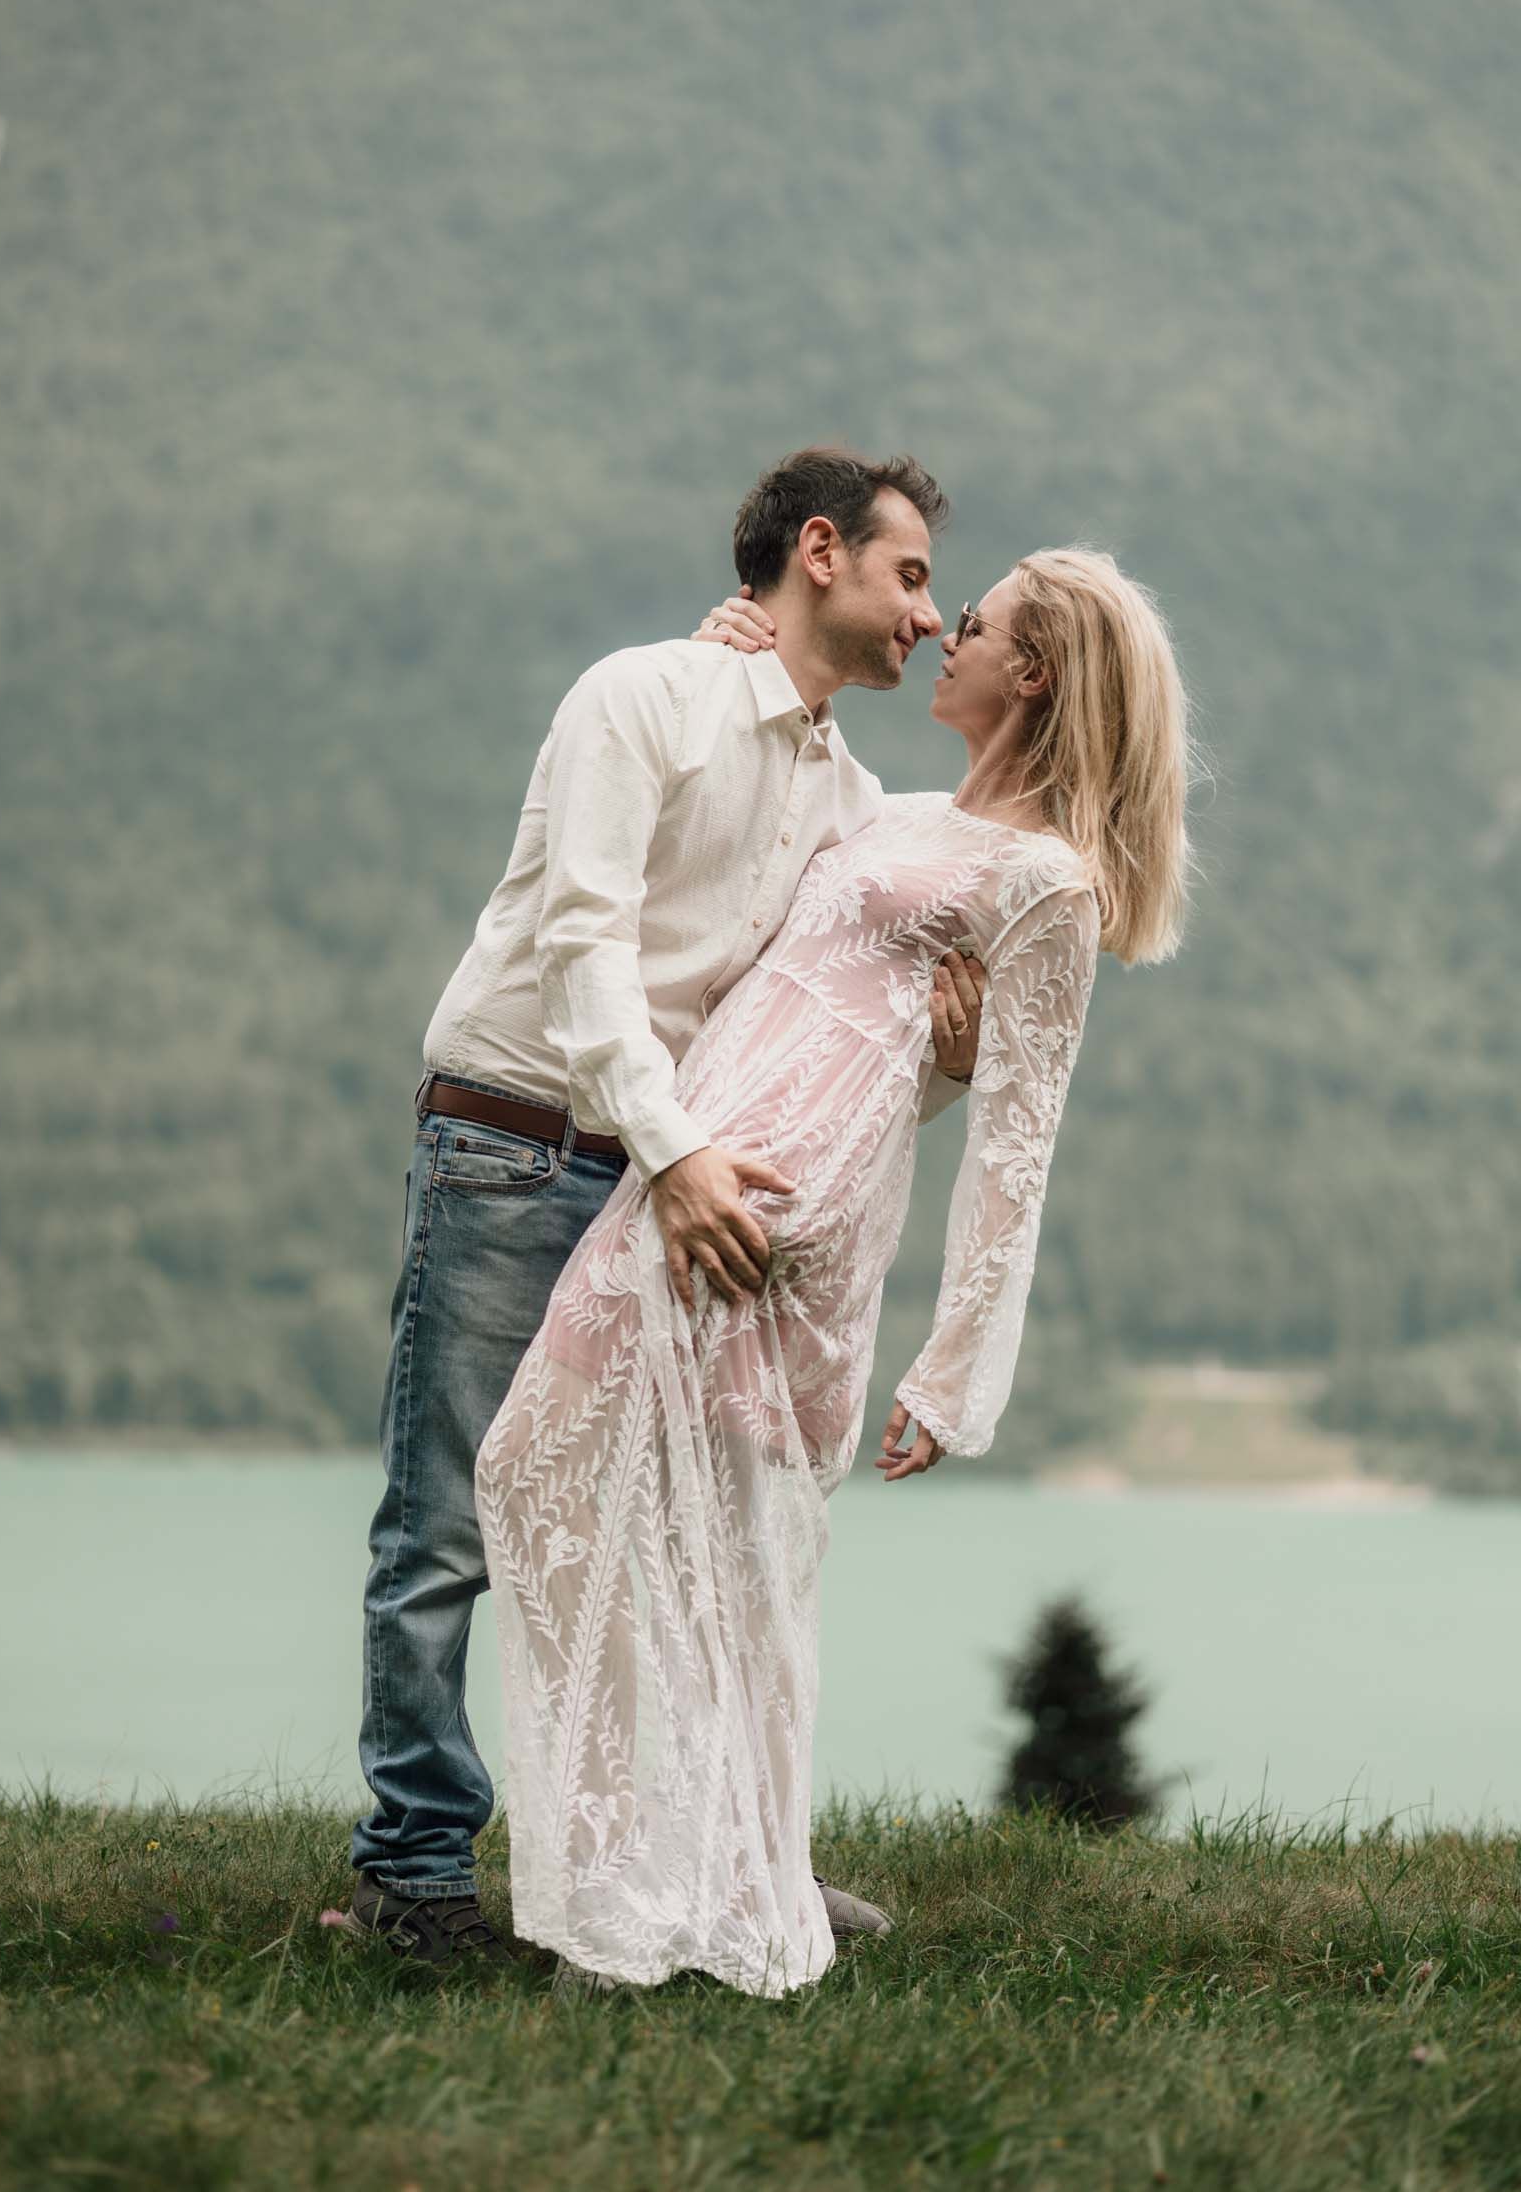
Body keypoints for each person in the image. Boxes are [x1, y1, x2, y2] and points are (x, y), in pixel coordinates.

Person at [474, 543, 1190, 1997]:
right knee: (594, 1493)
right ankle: (688, 1875)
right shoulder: (907, 813)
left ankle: (644, 1909)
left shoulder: (1045, 883)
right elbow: (786, 792)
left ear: (1033, 676)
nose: (946, 634)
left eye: (974, 623)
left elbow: (1016, 1141)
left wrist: (955, 1371)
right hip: (710, 1166)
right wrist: (734, 655)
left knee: (630, 1500)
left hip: (785, 1208)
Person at [345, 448, 992, 1968]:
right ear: (818, 553)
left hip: (666, 1178)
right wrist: (680, 1148)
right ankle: (416, 1871)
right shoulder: (638, 696)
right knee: (445, 1526)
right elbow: (586, 946)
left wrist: (946, 1068)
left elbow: (814, 1037)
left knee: (686, 1526)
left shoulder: (850, 799)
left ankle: (721, 1856)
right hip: (520, 1140)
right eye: (910, 577)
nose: (930, 615)